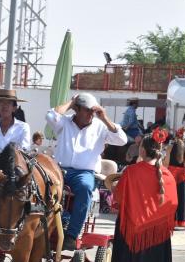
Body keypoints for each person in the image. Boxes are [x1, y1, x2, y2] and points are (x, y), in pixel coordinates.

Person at [100, 130, 179, 262]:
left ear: (142, 150)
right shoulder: (168, 175)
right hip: (157, 236)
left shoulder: (131, 172)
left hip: (131, 232)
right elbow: (173, 204)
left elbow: (118, 199)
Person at [46, 93, 127, 250]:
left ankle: (71, 235)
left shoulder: (100, 126)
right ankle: (47, 225)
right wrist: (71, 101)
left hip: (84, 173)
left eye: (93, 111)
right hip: (59, 170)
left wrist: (104, 118)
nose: (91, 114)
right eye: (88, 110)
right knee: (42, 187)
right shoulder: (64, 122)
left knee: (84, 187)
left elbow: (122, 139)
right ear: (77, 109)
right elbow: (50, 115)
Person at [164, 128, 185, 228]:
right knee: (182, 198)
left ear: (175, 137)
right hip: (182, 177)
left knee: (170, 198)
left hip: (171, 176)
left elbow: (166, 164)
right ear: (184, 138)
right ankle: (181, 221)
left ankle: (170, 220)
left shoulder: (169, 147)